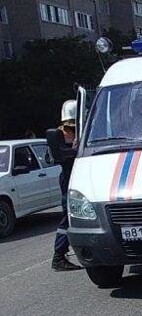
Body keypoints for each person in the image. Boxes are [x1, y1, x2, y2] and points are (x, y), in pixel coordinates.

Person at [46, 100, 81, 271]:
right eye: (70, 127)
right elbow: (53, 156)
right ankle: (59, 256)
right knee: (68, 216)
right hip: (69, 177)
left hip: (78, 175)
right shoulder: (61, 135)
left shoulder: (77, 131)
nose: (71, 131)